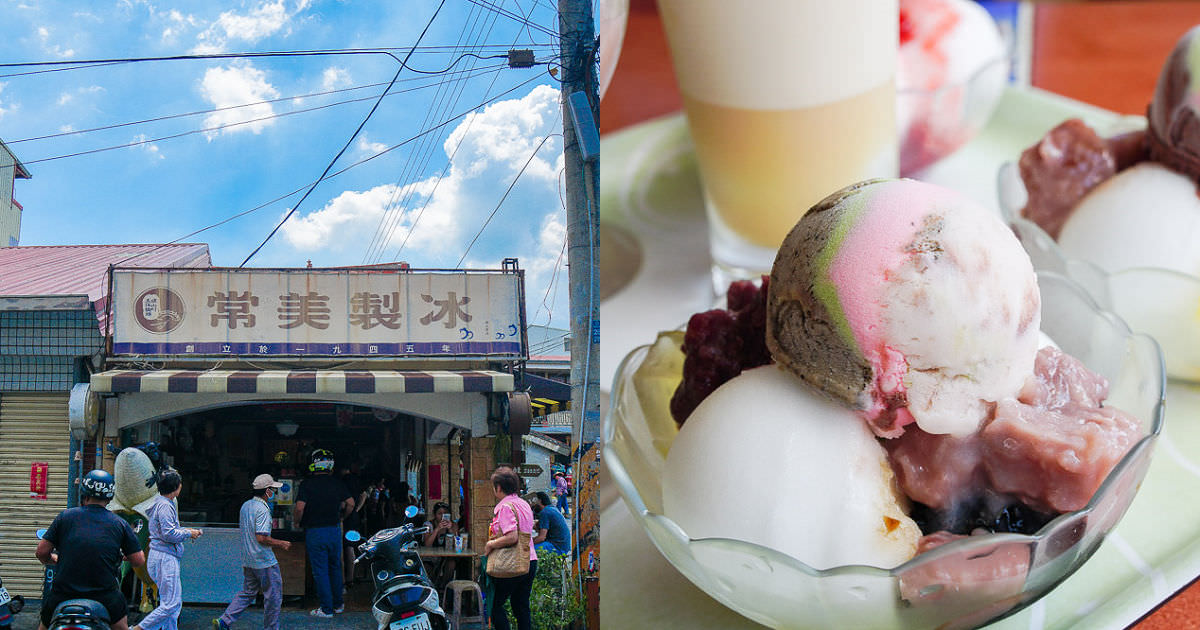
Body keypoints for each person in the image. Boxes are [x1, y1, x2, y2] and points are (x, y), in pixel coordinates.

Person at [35, 469, 146, 630]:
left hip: (63, 594)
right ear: (109, 498)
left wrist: (53, 559)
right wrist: (123, 556)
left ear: (84, 495)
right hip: (105, 596)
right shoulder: (119, 523)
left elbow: (41, 552)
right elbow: (138, 560)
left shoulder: (65, 517)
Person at [214, 474, 292, 630]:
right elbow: (261, 537)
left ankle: (224, 620)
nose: (274, 493)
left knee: (248, 593)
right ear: (267, 491)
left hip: (248, 559)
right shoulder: (262, 509)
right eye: (273, 490)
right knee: (274, 597)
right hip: (264, 560)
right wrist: (281, 543)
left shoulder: (246, 505)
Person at [133, 469, 202, 630]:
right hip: (165, 558)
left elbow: (167, 531)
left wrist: (187, 532)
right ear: (177, 487)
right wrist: (188, 532)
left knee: (172, 604)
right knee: (171, 604)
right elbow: (169, 534)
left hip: (161, 556)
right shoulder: (165, 506)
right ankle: (138, 629)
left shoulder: (160, 502)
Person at [294, 449, 354, 618]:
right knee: (335, 567)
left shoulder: (307, 484)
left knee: (320, 570)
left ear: (313, 464)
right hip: (334, 530)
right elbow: (351, 503)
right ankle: (338, 605)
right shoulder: (337, 483)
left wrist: (297, 521)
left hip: (315, 531)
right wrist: (343, 517)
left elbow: (299, 507)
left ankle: (326, 609)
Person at [484, 467, 537, 630]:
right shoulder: (523, 504)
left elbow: (512, 536)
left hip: (512, 563)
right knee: (521, 607)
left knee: (494, 605)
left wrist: (490, 544)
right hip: (530, 561)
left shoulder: (505, 506)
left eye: (494, 486)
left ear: (498, 487)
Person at [530, 491, 571, 556]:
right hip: (564, 545)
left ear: (540, 501)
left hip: (557, 547)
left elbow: (541, 538)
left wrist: (527, 543)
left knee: (529, 550)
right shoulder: (552, 508)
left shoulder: (545, 512)